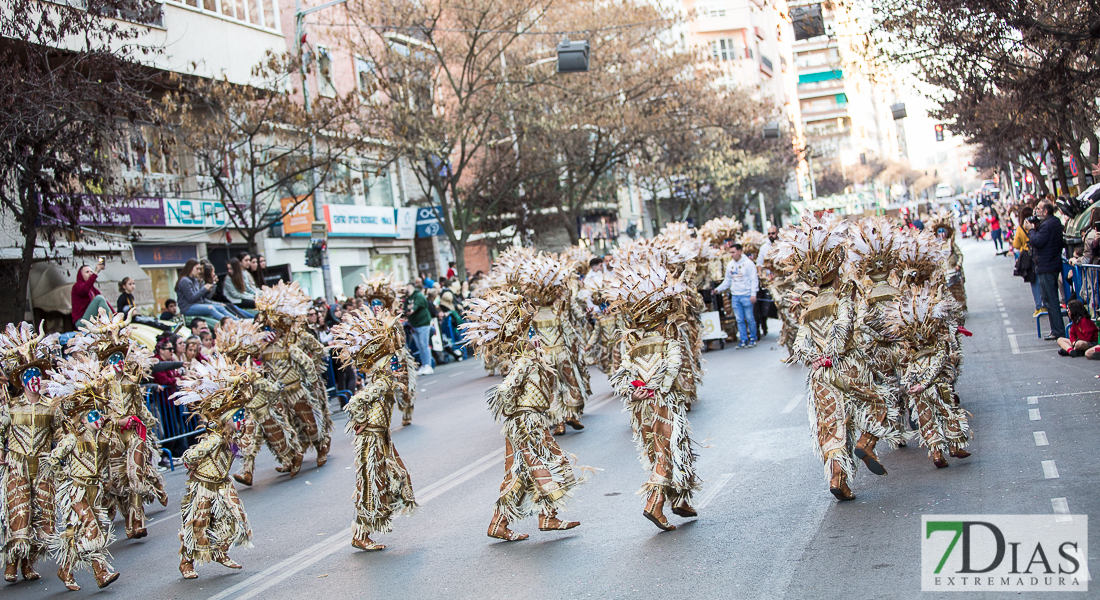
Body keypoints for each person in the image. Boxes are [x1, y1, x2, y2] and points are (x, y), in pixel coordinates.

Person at [459, 291, 584, 541]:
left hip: (527, 419)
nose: (536, 339)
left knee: (522, 473)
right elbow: (505, 390)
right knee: (545, 464)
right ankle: (546, 516)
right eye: (530, 336)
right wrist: (513, 412)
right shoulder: (524, 360)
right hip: (526, 422)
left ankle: (504, 523)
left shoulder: (527, 357)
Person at [330, 309, 418, 551]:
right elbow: (355, 403)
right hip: (371, 438)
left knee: (388, 479)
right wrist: (361, 422)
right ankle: (361, 534)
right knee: (371, 485)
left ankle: (365, 530)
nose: (395, 366)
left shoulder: (383, 381)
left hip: (380, 436)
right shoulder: (380, 382)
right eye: (391, 364)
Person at [172, 357, 256, 579]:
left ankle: (221, 551)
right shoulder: (215, 438)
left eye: (242, 415)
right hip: (204, 485)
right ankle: (186, 562)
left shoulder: (234, 437)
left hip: (222, 484)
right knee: (198, 524)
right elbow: (189, 456)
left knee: (235, 517)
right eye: (237, 417)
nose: (241, 419)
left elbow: (246, 450)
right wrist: (191, 463)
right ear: (226, 420)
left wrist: (247, 432)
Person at [0, 323, 63, 583]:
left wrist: (61, 451)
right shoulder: (11, 407)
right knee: (18, 512)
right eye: (29, 376)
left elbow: (60, 433)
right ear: (22, 381)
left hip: (43, 466)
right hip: (17, 465)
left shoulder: (52, 406)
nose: (34, 380)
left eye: (38, 374)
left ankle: (29, 562)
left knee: (41, 515)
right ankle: (12, 562)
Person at [1026, 201, 1066, 340]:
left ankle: (1058, 331)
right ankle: (1057, 330)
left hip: (1047, 265)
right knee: (1050, 299)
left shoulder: (1048, 225)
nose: (1036, 211)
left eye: (1039, 209)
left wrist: (1031, 230)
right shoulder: (1053, 222)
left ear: (1046, 211)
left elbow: (1037, 241)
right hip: (1050, 264)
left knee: (1050, 299)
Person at [714, 242, 759, 348]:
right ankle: (743, 340)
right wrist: (718, 289)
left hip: (746, 295)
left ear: (740, 251)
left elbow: (754, 279)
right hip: (735, 296)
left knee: (749, 318)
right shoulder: (730, 265)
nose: (732, 255)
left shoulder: (749, 264)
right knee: (739, 319)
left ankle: (753, 338)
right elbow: (727, 281)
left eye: (733, 252)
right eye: (730, 252)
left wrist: (753, 294)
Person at [1011, 206, 1045, 317]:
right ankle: (1045, 304)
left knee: (1034, 281)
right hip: (1040, 255)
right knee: (1043, 280)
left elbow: (1016, 244)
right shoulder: (1037, 225)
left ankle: (1039, 306)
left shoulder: (1021, 228)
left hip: (1028, 257)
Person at [404, 281, 434, 375]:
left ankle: (428, 365)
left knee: (423, 344)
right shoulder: (408, 298)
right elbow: (405, 308)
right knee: (419, 346)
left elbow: (415, 307)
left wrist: (411, 310)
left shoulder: (419, 296)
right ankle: (424, 365)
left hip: (423, 323)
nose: (406, 289)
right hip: (414, 324)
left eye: (407, 287)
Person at [72, 259, 112, 326]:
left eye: (91, 272)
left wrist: (115, 314)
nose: (90, 274)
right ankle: (113, 323)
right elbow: (84, 290)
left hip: (92, 320)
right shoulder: (77, 286)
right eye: (87, 272)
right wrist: (95, 272)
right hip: (82, 322)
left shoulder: (92, 289)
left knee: (100, 298)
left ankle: (114, 321)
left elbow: (104, 302)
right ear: (81, 275)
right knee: (98, 298)